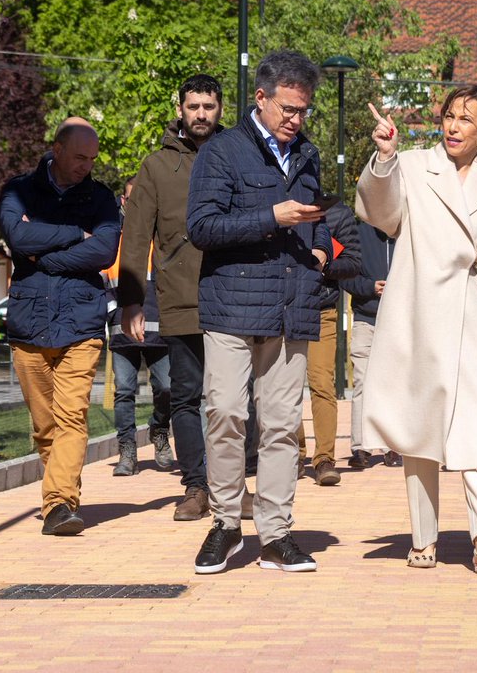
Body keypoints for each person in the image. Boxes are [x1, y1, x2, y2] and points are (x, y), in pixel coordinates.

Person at [356, 86, 477, 574]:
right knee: (420, 427)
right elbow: (382, 215)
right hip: (420, 313)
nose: (452, 126)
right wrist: (384, 156)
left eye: (465, 119)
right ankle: (423, 539)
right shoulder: (410, 165)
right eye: (448, 116)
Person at [186, 51, 330, 574]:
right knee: (225, 412)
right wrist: (271, 216)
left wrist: (317, 249)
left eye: (304, 110)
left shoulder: (307, 155)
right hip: (230, 304)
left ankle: (276, 534)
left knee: (281, 426)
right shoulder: (222, 152)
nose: (296, 119)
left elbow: (316, 218)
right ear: (261, 98)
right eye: (288, 109)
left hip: (291, 306)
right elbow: (201, 227)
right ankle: (226, 522)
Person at [0, 117, 120, 536]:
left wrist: (45, 254)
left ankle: (58, 504)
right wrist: (73, 235)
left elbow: (104, 251)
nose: (86, 165)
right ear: (58, 149)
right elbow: (17, 237)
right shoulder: (19, 190)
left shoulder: (102, 198)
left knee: (72, 417)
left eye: (92, 158)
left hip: (82, 321)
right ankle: (60, 494)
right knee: (45, 426)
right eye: (79, 157)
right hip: (28, 324)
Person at [118, 74, 223, 520]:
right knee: (185, 396)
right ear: (180, 108)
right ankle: (196, 488)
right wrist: (131, 300)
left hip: (231, 297)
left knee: (232, 402)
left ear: (220, 109)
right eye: (194, 106)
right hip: (178, 298)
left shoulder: (236, 153)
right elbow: (137, 234)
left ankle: (230, 489)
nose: (201, 114)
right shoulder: (157, 166)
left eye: (209, 106)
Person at [108, 177, 171, 477]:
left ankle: (159, 430)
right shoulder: (114, 243)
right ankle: (127, 450)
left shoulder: (162, 241)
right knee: (124, 391)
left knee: (168, 387)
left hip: (160, 330)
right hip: (122, 332)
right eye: (132, 200)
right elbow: (105, 284)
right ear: (123, 202)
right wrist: (112, 315)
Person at [296, 200, 361, 486]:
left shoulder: (337, 212)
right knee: (284, 388)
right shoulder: (281, 201)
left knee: (322, 383)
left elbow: (354, 262)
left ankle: (324, 459)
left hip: (322, 309)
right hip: (283, 308)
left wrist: (324, 264)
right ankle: (294, 455)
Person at [343, 219, 401, 468]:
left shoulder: (408, 232)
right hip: (366, 320)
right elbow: (344, 277)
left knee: (394, 386)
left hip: (399, 322)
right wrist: (369, 287)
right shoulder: (357, 232)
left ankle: (392, 447)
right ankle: (361, 447)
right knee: (362, 384)